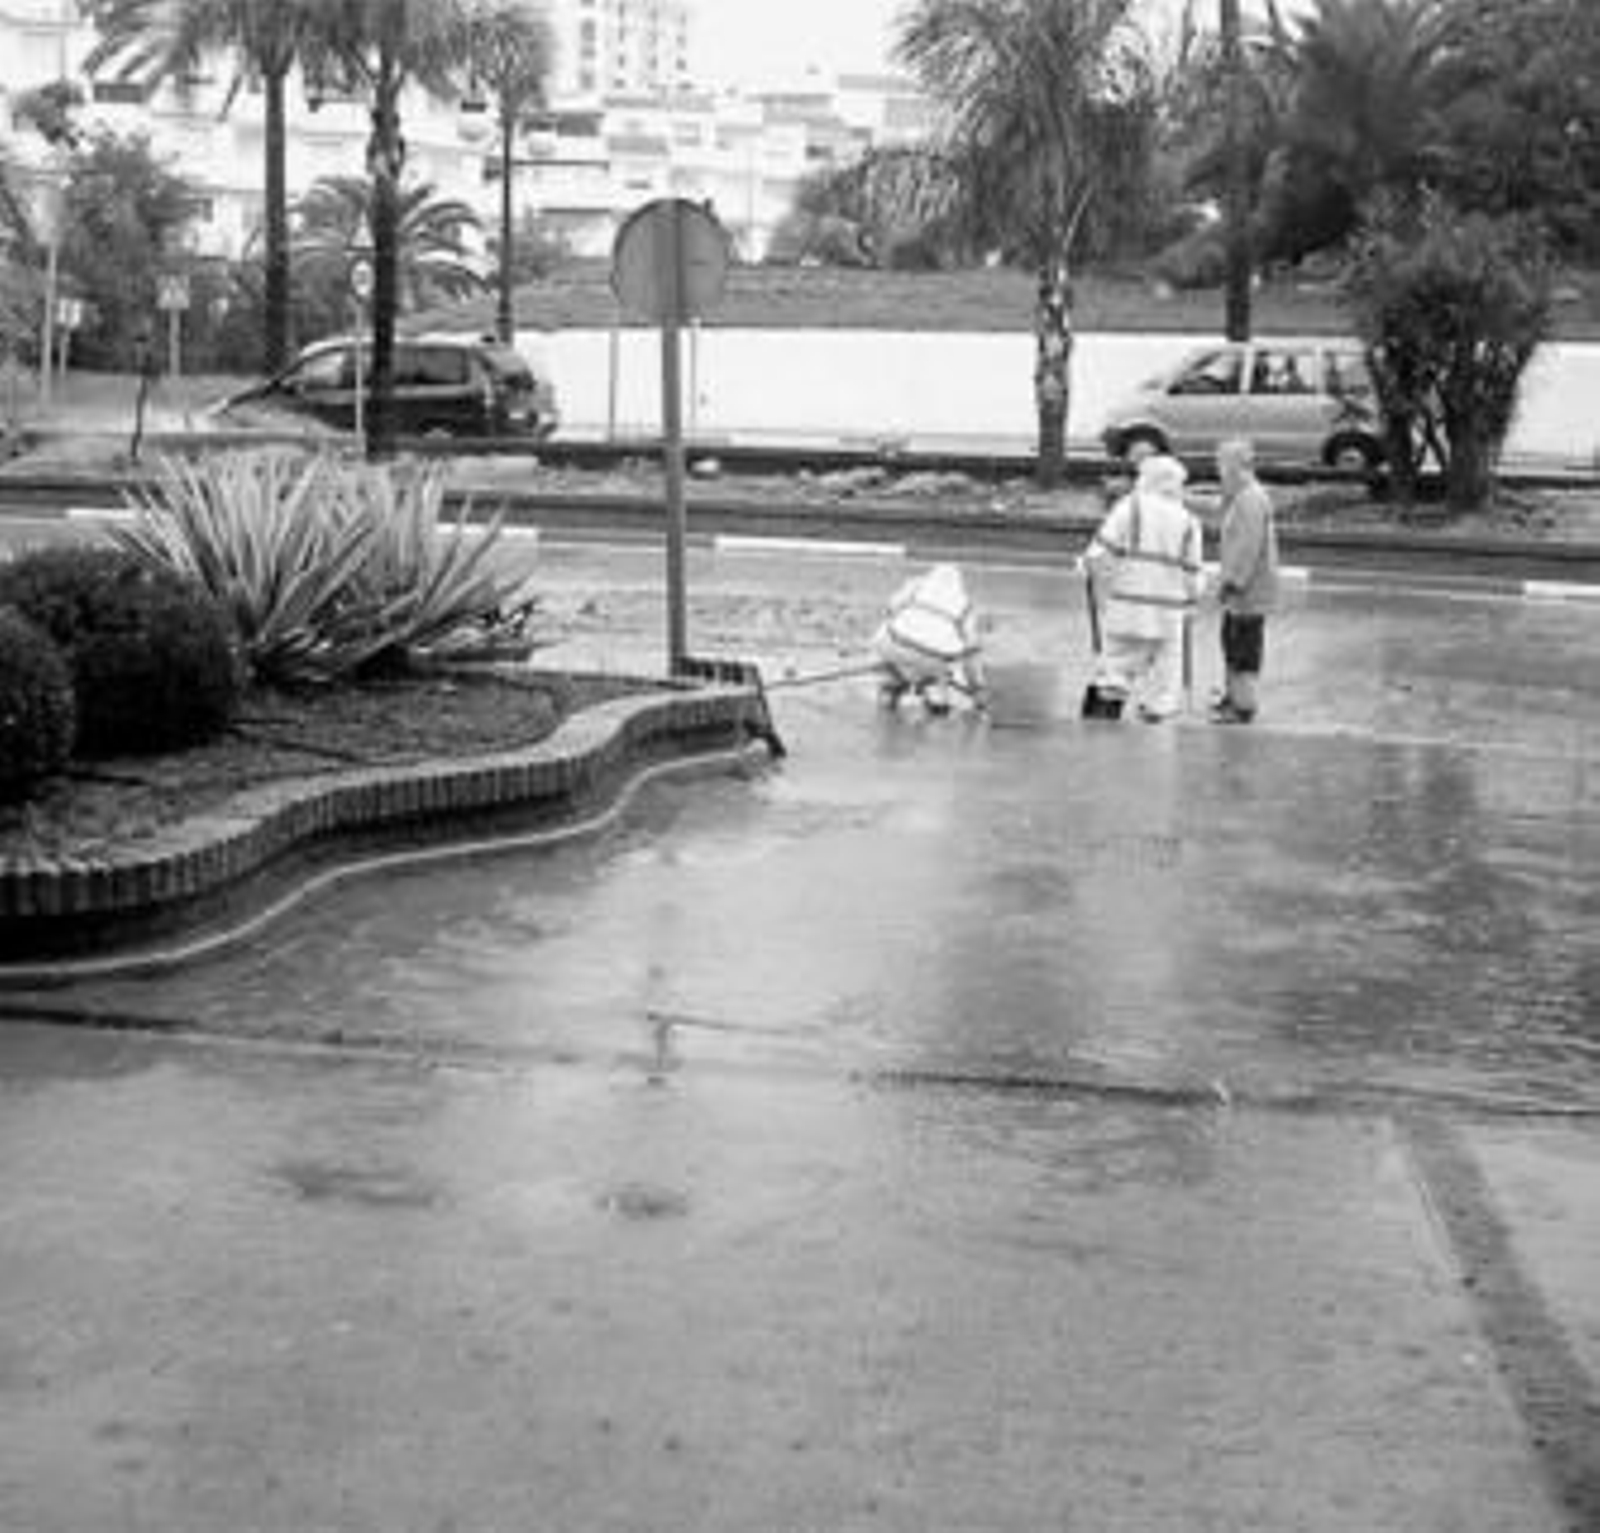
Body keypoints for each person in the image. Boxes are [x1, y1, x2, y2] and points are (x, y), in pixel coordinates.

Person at [1081, 452, 1204, 722]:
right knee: (1164, 684)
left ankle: (1099, 732)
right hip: (1167, 618)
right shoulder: (1188, 521)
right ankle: (1155, 738)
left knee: (1114, 673)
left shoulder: (1129, 508)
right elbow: (1193, 576)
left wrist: (1095, 580)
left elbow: (1097, 555)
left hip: (1126, 610)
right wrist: (1193, 603)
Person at [1211, 436, 1280, 724]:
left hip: (1248, 591)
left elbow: (1247, 548)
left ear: (1236, 465)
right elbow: (1218, 508)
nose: (1218, 469)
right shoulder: (1242, 495)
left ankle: (1243, 707)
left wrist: (1231, 584)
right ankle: (1233, 698)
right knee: (1232, 642)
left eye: (1221, 463)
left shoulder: (1250, 498)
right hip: (1244, 590)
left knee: (1243, 648)